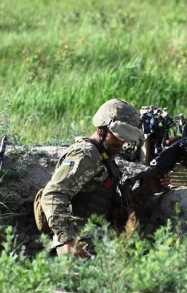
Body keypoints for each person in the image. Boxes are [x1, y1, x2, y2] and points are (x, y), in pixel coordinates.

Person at [39, 98, 170, 257]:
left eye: (125, 138)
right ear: (101, 129)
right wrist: (67, 239)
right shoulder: (85, 155)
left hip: (98, 233)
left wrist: (149, 189)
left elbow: (110, 208)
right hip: (80, 239)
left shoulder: (105, 158)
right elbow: (53, 194)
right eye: (117, 136)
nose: (121, 142)